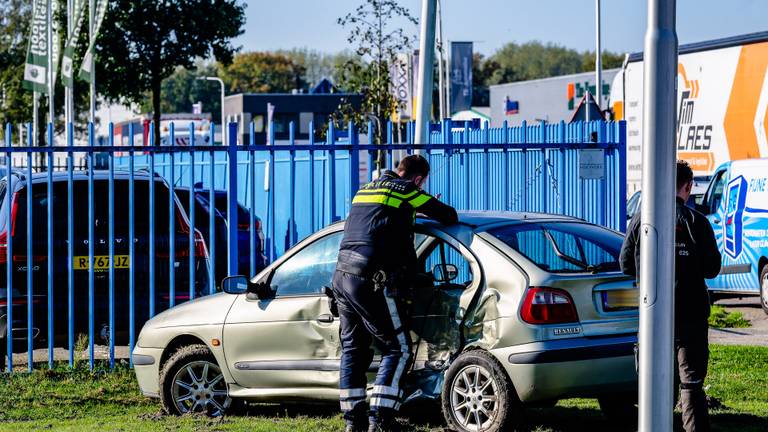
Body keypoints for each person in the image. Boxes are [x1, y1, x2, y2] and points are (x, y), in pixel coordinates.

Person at [332, 154, 458, 432]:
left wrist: (411, 211)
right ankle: (382, 419)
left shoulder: (366, 189)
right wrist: (421, 201)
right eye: (421, 184)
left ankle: (354, 422)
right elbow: (449, 215)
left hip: (342, 276)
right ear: (417, 179)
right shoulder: (407, 190)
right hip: (371, 279)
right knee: (397, 348)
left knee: (353, 348)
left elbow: (379, 221)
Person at [620, 160, 721, 432]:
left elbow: (625, 263)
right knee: (691, 383)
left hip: (653, 316)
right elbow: (713, 268)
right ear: (687, 187)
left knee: (656, 384)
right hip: (691, 316)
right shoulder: (696, 222)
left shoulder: (642, 219)